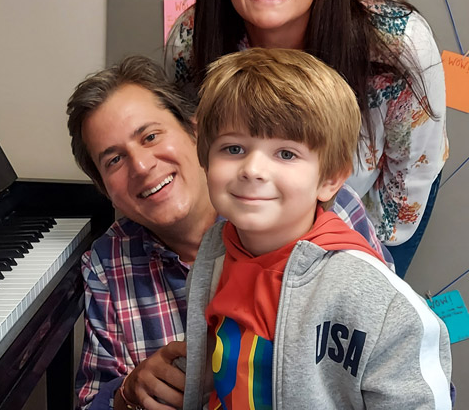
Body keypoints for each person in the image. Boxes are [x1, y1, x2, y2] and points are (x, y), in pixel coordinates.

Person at [165, 0, 448, 276]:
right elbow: (198, 155)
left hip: (369, 208)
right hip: (251, 214)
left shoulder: (398, 44)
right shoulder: (193, 38)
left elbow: (410, 177)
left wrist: (364, 270)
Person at [66, 55, 391, 410]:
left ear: (195, 131)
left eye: (151, 136)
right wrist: (127, 393)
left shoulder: (325, 208)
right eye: (113, 160)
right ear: (103, 187)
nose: (142, 166)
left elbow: (394, 360)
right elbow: (90, 401)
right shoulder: (106, 262)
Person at [182, 47, 452, 409]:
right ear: (206, 160)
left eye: (286, 154)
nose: (252, 169)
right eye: (233, 148)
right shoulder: (216, 251)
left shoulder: (376, 299)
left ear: (329, 179)